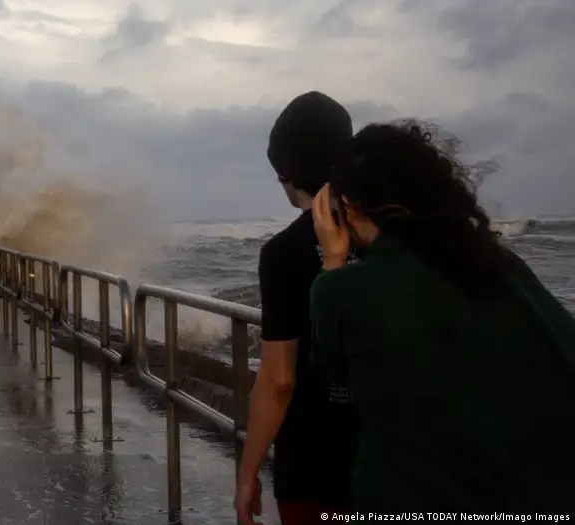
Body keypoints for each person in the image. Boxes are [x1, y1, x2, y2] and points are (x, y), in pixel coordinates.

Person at [309, 119, 575, 512]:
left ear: (347, 209)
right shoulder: (502, 267)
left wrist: (332, 260)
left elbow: (330, 369)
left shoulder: (341, 290)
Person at [236, 91, 360, 525]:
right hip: (395, 459)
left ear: (286, 175)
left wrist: (248, 473)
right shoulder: (391, 236)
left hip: (315, 465)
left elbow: (278, 380)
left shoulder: (284, 253)